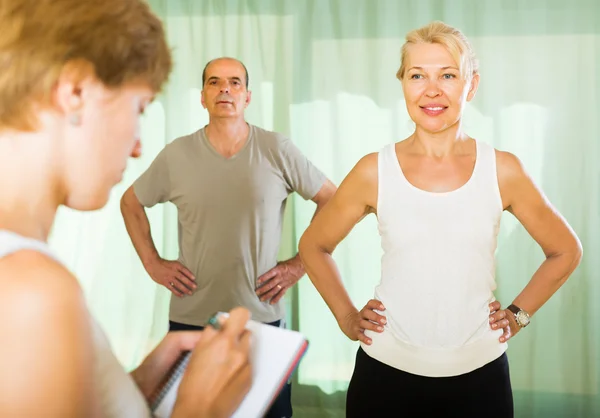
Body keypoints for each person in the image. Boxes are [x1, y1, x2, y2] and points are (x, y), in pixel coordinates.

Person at [298, 21, 583, 418]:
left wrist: (517, 316)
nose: (432, 90)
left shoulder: (503, 170)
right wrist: (347, 317)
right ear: (403, 84)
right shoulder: (373, 170)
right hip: (385, 376)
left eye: (448, 75)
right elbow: (313, 245)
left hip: (480, 378)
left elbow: (566, 250)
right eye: (418, 75)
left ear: (471, 85)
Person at [0, 1, 253, 417]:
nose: (137, 146)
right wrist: (198, 409)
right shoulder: (35, 292)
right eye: (139, 109)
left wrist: (132, 387)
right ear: (76, 91)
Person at [120, 56, 336, 417]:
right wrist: (153, 263)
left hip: (262, 319)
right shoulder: (177, 154)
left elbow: (333, 201)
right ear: (202, 97)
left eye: (235, 82)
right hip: (191, 319)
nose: (225, 89)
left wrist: (298, 266)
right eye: (215, 82)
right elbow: (131, 203)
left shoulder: (277, 149)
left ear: (247, 97)